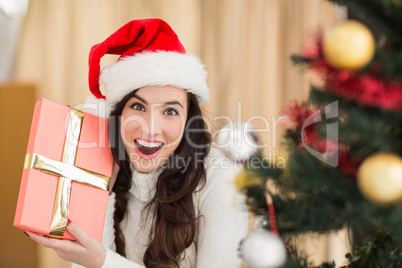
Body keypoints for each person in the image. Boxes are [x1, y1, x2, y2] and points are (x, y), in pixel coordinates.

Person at [25, 18, 248, 268]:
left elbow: (99, 262)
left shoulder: (222, 176)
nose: (150, 128)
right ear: (117, 113)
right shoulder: (106, 165)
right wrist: (102, 190)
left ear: (188, 120)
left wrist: (101, 261)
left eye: (170, 111)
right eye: (138, 107)